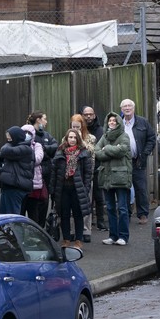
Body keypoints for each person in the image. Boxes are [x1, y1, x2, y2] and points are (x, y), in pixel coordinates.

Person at [95, 112, 133, 245]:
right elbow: (97, 152)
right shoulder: (104, 136)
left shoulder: (124, 136)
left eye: (114, 121)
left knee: (122, 208)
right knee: (110, 208)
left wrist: (107, 148)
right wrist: (112, 150)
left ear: (118, 123)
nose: (112, 122)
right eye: (110, 120)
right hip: (106, 177)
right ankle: (113, 236)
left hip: (121, 177)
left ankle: (123, 236)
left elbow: (122, 150)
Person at [51, 129, 93, 248]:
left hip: (77, 188)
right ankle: (66, 239)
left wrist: (85, 188)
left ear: (78, 139)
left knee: (78, 214)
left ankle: (78, 240)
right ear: (66, 138)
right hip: (63, 188)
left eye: (75, 138)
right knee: (64, 214)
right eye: (70, 137)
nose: (72, 140)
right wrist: (52, 189)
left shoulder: (83, 153)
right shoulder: (60, 152)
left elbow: (88, 174)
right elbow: (54, 172)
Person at [120, 99, 156, 225]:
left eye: (129, 106)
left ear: (134, 108)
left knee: (140, 188)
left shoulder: (143, 122)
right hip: (122, 162)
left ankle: (143, 214)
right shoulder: (119, 123)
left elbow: (152, 138)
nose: (127, 108)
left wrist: (145, 153)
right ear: (122, 109)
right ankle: (126, 215)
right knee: (124, 188)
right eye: (125, 106)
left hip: (138, 160)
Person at [23, 112, 56, 227]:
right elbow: (35, 157)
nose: (46, 122)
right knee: (32, 205)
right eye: (44, 119)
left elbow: (55, 147)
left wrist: (44, 148)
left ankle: (40, 228)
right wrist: (44, 152)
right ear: (38, 120)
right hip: (32, 176)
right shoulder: (28, 135)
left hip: (45, 174)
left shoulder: (46, 135)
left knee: (44, 202)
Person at [0, 126, 35, 215]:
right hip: (10, 186)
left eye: (10, 137)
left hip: (16, 187)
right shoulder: (17, 148)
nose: (8, 139)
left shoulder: (25, 148)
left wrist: (4, 148)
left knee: (12, 217)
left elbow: (6, 151)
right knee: (4, 216)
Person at [71, 114, 96, 243]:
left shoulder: (90, 138)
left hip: (85, 175)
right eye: (73, 126)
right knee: (72, 205)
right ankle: (73, 231)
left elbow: (91, 153)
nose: (75, 129)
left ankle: (86, 230)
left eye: (78, 127)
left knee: (86, 202)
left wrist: (81, 140)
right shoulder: (67, 137)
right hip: (71, 178)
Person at [82, 106, 107, 232]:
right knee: (86, 195)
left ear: (94, 115)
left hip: (98, 166)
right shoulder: (81, 130)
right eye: (86, 114)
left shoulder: (100, 130)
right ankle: (88, 220)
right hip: (84, 167)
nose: (88, 117)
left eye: (90, 114)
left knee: (98, 194)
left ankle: (101, 221)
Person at [21, 124, 48, 226]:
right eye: (24, 133)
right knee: (20, 213)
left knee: (34, 214)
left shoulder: (37, 145)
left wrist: (25, 157)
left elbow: (37, 159)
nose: (27, 135)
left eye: (29, 133)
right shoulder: (17, 146)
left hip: (34, 186)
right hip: (21, 185)